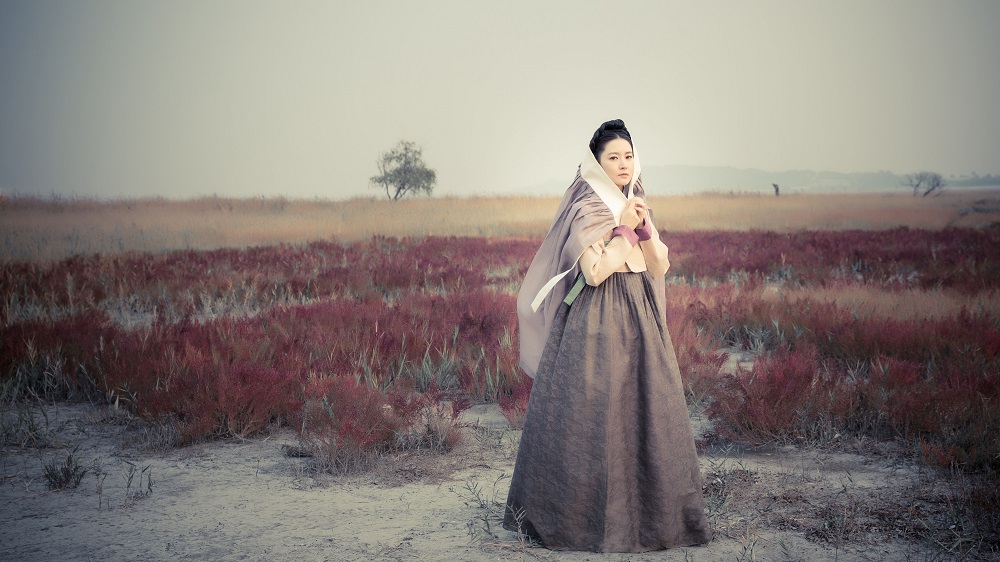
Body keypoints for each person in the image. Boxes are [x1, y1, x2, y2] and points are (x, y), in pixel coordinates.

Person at [503, 119, 712, 552]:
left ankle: (651, 521)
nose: (623, 164)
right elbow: (595, 271)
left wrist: (643, 228)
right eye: (613, 157)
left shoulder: (636, 201)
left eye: (628, 156)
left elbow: (659, 266)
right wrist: (624, 231)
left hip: (640, 316)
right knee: (590, 414)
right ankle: (577, 522)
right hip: (595, 321)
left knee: (648, 408)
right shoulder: (588, 207)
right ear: (597, 163)